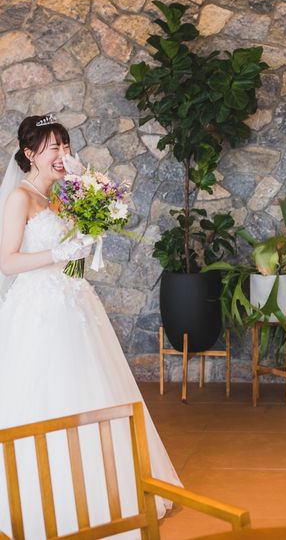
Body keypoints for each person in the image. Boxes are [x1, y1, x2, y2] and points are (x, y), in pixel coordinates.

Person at [0, 115, 181, 538]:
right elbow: (6, 262)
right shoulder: (20, 198)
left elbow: (76, 251)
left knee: (92, 386)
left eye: (66, 146)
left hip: (75, 303)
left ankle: (106, 495)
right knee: (45, 392)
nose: (63, 155)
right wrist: (58, 254)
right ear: (30, 154)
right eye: (54, 148)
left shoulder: (64, 195)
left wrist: (82, 237)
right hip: (39, 311)